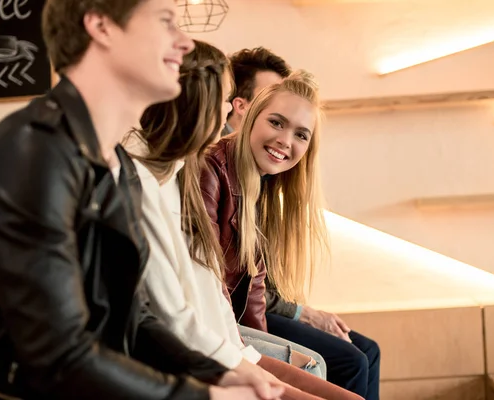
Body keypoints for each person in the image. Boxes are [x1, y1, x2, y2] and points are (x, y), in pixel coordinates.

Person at [0, 2, 281, 399]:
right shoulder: (32, 157)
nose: (185, 43)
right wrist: (203, 396)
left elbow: (135, 315)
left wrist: (215, 372)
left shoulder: (119, 165)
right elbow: (59, 359)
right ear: (101, 27)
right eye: (166, 21)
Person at [127, 39, 362, 400]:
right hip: (197, 353)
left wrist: (250, 355)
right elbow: (181, 313)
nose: (229, 113)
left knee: (344, 364)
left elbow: (232, 291)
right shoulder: (176, 177)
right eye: (227, 101)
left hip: (220, 340)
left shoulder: (222, 177)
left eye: (301, 134)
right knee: (331, 363)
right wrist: (247, 365)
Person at [205, 58, 381, 400]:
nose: (286, 141)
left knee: (361, 353)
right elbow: (210, 285)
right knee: (330, 363)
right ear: (249, 114)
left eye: (300, 134)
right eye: (276, 122)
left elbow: (255, 285)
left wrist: (267, 347)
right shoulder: (212, 169)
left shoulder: (261, 182)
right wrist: (257, 358)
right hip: (212, 328)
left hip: (233, 324)